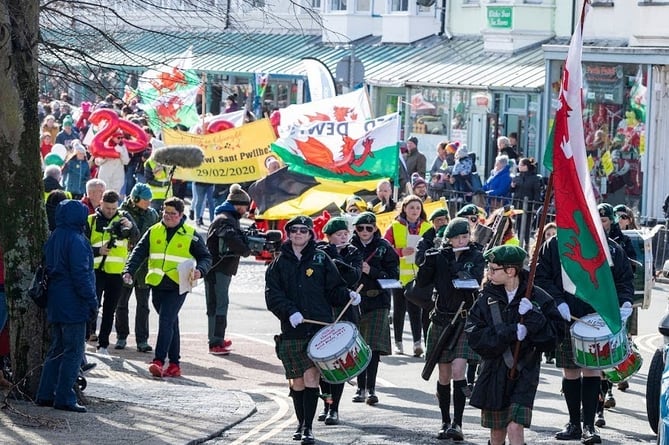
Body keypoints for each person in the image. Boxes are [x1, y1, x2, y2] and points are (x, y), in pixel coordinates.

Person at [265, 215, 361, 444]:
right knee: (297, 382)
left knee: (311, 378)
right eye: (294, 230)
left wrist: (348, 295)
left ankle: (308, 427)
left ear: (310, 234)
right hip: (292, 329)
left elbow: (334, 288)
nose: (298, 233)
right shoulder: (278, 263)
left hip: (319, 329)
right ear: (289, 234)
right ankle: (300, 422)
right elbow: (272, 295)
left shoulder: (321, 258)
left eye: (303, 230)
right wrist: (289, 311)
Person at [535, 234, 634, 445]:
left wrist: (625, 303)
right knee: (570, 371)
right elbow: (541, 278)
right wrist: (557, 302)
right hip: (566, 316)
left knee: (593, 370)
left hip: (597, 318)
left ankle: (589, 425)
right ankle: (573, 424)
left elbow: (623, 279)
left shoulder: (610, 248)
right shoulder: (554, 244)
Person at [467, 245, 558, 445]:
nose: (488, 273)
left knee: (515, 427)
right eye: (488, 268)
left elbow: (553, 338)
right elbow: (474, 335)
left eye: (493, 269)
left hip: (526, 370)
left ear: (510, 271)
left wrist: (534, 319)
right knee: (497, 433)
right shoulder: (485, 298)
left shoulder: (536, 297)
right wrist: (509, 332)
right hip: (493, 370)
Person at [123, 197, 212, 378]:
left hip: (179, 284)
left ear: (181, 215)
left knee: (165, 320)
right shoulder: (153, 230)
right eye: (166, 212)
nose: (168, 216)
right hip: (157, 283)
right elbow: (138, 252)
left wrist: (200, 271)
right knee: (171, 323)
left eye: (173, 214)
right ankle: (175, 364)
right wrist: (129, 271)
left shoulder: (190, 234)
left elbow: (206, 257)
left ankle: (158, 360)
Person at [416, 217, 485, 441]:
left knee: (458, 371)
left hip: (464, 320)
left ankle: (458, 423)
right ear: (449, 239)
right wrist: (428, 260)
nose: (461, 241)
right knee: (444, 374)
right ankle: (445, 420)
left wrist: (450, 263)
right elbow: (423, 282)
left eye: (464, 236)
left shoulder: (475, 255)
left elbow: (471, 280)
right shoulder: (440, 256)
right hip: (441, 319)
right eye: (456, 238)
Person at [36, 200, 98, 413]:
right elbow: (81, 275)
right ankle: (64, 396)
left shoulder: (55, 236)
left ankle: (45, 393)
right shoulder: (77, 240)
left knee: (57, 349)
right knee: (73, 351)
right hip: (73, 301)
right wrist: (92, 302)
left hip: (56, 299)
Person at [315, 217, 362, 426]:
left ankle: (334, 409)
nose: (344, 237)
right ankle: (327, 404)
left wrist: (336, 259)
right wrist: (330, 254)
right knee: (323, 366)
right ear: (329, 237)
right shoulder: (319, 252)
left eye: (345, 234)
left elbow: (353, 277)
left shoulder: (353, 253)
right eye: (339, 235)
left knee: (339, 363)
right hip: (323, 310)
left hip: (344, 312)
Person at [349, 212, 399, 406]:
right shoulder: (349, 247)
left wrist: (372, 271)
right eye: (360, 228)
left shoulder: (384, 248)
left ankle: (371, 389)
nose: (364, 232)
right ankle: (359, 388)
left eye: (368, 228)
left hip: (378, 301)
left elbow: (393, 277)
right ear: (355, 229)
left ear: (375, 229)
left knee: (373, 348)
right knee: (358, 346)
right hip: (355, 302)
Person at [86, 190, 139, 354]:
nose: (110, 212)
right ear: (100, 204)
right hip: (95, 271)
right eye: (107, 208)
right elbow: (82, 245)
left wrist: (130, 228)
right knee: (91, 306)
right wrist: (97, 251)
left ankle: (103, 344)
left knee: (110, 310)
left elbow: (137, 238)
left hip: (116, 272)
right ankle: (87, 335)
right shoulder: (91, 220)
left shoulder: (124, 218)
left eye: (113, 208)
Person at [205, 184, 252, 355]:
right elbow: (232, 239)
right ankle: (215, 342)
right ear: (238, 205)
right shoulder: (225, 219)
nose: (246, 210)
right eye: (245, 206)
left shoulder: (225, 217)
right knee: (218, 304)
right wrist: (246, 249)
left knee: (216, 304)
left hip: (218, 268)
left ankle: (216, 338)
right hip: (218, 268)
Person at [114, 183, 160, 352]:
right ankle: (121, 336)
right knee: (122, 303)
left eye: (150, 200)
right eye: (145, 200)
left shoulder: (153, 214)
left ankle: (142, 339)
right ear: (135, 199)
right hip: (126, 264)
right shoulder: (121, 214)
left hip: (145, 267)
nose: (148, 202)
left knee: (143, 305)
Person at [384, 195, 431, 357]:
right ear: (404, 208)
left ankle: (418, 343)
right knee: (398, 309)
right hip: (399, 275)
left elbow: (434, 246)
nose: (415, 211)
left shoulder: (427, 226)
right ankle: (398, 342)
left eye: (418, 208)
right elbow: (385, 247)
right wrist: (400, 252)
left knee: (415, 310)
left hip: (418, 275)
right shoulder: (394, 226)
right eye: (411, 207)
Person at [510, 157, 543, 245]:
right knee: (517, 225)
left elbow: (537, 193)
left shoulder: (534, 178)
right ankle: (518, 243)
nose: (519, 166)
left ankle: (527, 244)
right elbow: (512, 190)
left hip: (528, 206)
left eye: (521, 165)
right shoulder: (517, 177)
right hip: (517, 204)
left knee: (526, 226)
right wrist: (512, 186)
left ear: (526, 166)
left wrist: (535, 206)